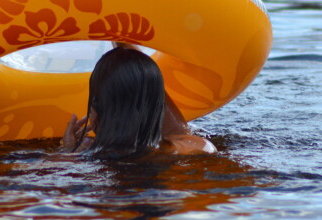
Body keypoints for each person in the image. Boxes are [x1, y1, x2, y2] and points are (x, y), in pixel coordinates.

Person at [61, 45, 216, 158]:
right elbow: (177, 133)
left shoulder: (89, 156)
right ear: (157, 105)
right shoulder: (196, 148)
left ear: (95, 107)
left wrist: (68, 152)